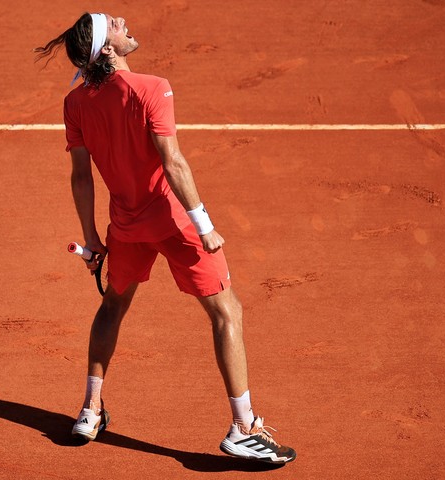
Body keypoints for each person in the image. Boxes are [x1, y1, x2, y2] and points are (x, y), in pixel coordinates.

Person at [35, 12, 295, 464]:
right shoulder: (152, 88)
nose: (120, 19)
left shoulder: (75, 103)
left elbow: (81, 176)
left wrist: (92, 238)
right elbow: (172, 162)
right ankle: (244, 427)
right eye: (110, 23)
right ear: (108, 47)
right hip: (176, 224)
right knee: (227, 312)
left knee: (113, 306)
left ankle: (90, 410)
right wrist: (205, 225)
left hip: (126, 226)